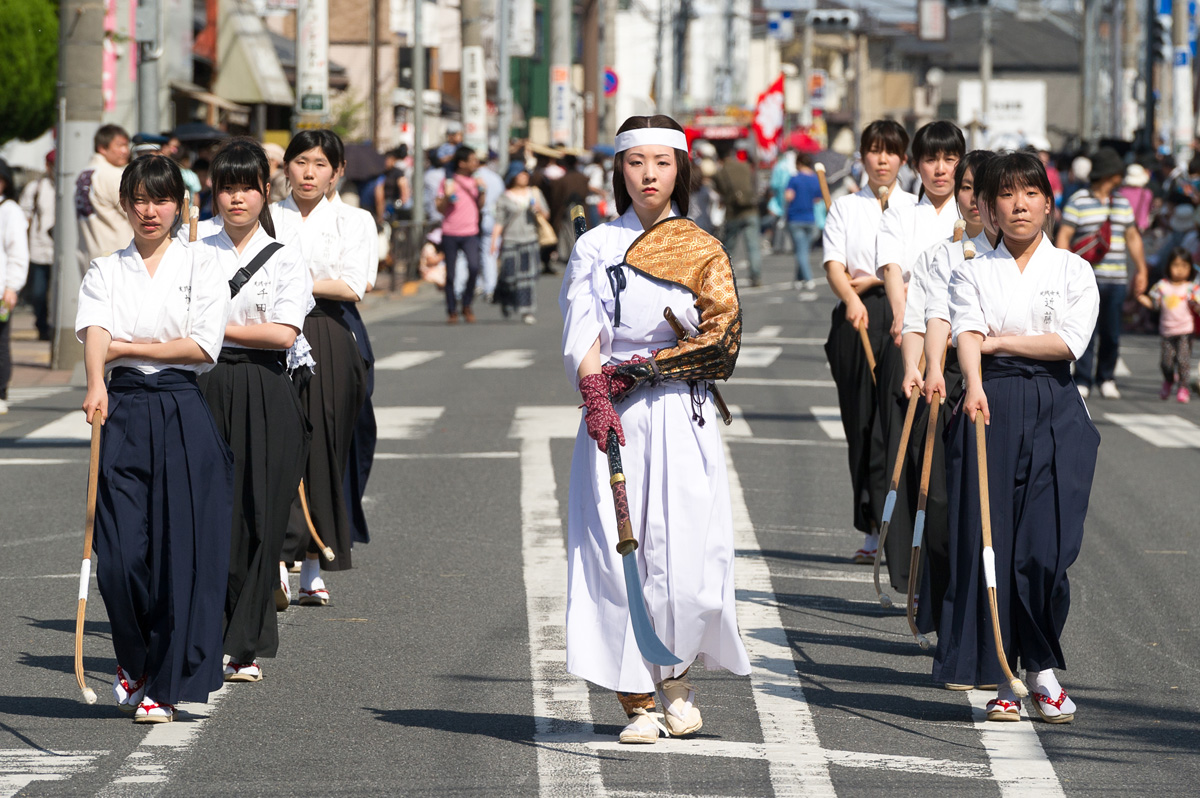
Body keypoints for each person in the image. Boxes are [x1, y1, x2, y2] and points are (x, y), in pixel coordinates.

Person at [560, 114, 751, 745]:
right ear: (619, 169)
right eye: (636, 162)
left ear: (681, 171)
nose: (649, 174)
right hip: (614, 411)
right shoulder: (594, 245)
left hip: (680, 409)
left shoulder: (702, 246)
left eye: (662, 163)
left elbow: (722, 340)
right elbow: (583, 331)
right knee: (617, 550)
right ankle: (636, 698)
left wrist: (649, 367)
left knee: (685, 551)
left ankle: (677, 682)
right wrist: (597, 392)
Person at [936, 151, 1100, 723]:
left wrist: (999, 342)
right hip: (992, 405)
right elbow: (967, 333)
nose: (1020, 204)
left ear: (1048, 204)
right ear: (990, 209)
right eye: (1007, 195)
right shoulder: (972, 270)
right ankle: (1009, 674)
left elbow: (1067, 344)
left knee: (1049, 551)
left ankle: (1039, 661)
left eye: (1031, 193)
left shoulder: (1074, 271)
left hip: (1057, 406)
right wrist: (975, 384)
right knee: (993, 547)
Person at [76, 154, 233, 722]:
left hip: (182, 408)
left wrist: (127, 346)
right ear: (124, 204)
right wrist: (98, 379)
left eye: (161, 199)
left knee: (179, 553)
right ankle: (136, 659)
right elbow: (97, 331)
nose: (150, 210)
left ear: (179, 205)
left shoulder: (203, 266)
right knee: (118, 556)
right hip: (120, 409)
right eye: (139, 199)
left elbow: (201, 347)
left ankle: (165, 685)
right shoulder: (105, 269)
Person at [192, 138, 310, 681]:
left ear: (266, 191)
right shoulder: (194, 249)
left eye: (247, 187)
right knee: (212, 512)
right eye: (226, 188)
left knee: (263, 512)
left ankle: (247, 645)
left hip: (266, 389)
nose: (236, 198)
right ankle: (210, 631)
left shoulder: (287, 256)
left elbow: (283, 334)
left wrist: (212, 328)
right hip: (205, 385)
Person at [271, 130, 369, 606]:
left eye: (321, 164)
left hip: (327, 333)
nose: (309, 173)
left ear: (338, 171)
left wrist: (291, 280)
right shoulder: (266, 217)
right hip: (269, 331)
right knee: (273, 443)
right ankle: (276, 559)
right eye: (300, 162)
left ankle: (314, 559)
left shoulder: (355, 220)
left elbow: (352, 285)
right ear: (285, 167)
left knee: (325, 445)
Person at [912, 150, 999, 652]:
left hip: (1004, 385)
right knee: (948, 515)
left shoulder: (1028, 257)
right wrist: (924, 368)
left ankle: (994, 630)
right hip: (950, 384)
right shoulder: (941, 257)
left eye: (984, 191)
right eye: (968, 188)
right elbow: (925, 320)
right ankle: (953, 622)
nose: (973, 200)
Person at [874, 120, 965, 590]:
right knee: (905, 452)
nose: (941, 169)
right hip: (909, 336)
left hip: (959, 350)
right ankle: (909, 568)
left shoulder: (972, 212)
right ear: (917, 165)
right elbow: (893, 268)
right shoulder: (900, 213)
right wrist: (899, 314)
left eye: (951, 159)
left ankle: (949, 568)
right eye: (931, 159)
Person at [821, 119, 916, 564]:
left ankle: (898, 527)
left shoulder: (916, 209)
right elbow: (835, 266)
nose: (881, 159)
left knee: (893, 426)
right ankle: (872, 527)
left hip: (904, 318)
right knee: (861, 426)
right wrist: (851, 298)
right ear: (862, 156)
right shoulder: (844, 208)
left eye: (890, 151)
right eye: (873, 151)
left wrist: (882, 285)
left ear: (902, 158)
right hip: (856, 317)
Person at [1057, 148, 1149, 399]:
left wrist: (1141, 269)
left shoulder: (1122, 203)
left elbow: (1132, 236)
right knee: (1085, 329)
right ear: (1108, 175)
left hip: (1117, 278)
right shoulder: (1078, 200)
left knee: (1112, 331)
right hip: (1087, 279)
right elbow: (1064, 236)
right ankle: (1084, 377)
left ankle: (1106, 376)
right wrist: (1063, 271)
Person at [1137, 247, 1200, 402]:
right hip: (1167, 330)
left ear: (1190, 268)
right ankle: (1169, 380)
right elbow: (1155, 304)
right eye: (1176, 265)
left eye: (1184, 266)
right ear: (1168, 266)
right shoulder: (1162, 286)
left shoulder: (1191, 288)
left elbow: (1197, 305)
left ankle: (1183, 388)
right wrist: (1141, 298)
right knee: (1166, 362)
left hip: (1185, 330)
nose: (1179, 270)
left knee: (1183, 360)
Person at [490, 165, 548, 323]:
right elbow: (499, 221)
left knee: (528, 277)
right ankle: (507, 301)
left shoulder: (534, 193)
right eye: (521, 174)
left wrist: (538, 209)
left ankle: (527, 310)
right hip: (510, 239)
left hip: (530, 239)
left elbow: (546, 215)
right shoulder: (504, 197)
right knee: (509, 276)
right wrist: (494, 241)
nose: (524, 177)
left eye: (525, 174)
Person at [435, 146, 486, 323]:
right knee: (450, 274)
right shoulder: (449, 181)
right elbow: (440, 209)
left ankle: (466, 304)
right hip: (450, 231)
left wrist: (482, 191)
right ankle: (451, 310)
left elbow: (480, 206)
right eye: (472, 160)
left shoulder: (476, 181)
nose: (475, 163)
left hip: (470, 232)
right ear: (462, 163)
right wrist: (447, 197)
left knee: (473, 267)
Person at [76, 124, 133, 267]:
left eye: (126, 145)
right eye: (119, 145)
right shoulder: (113, 175)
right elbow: (135, 214)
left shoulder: (84, 174)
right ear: (102, 148)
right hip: (116, 254)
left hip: (89, 253)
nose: (125, 151)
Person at [0, 159, 31, 415]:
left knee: (0, 340)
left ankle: (0, 391)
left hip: (1, 290)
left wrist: (12, 286)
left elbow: (18, 251)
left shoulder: (10, 210)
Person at [712, 143, 764, 286]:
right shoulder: (745, 167)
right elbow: (754, 185)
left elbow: (720, 192)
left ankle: (727, 276)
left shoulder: (719, 173)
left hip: (733, 213)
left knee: (730, 248)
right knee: (753, 246)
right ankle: (756, 276)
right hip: (750, 209)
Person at [19, 151, 55, 341]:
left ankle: (54, 327)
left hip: (61, 252)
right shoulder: (36, 187)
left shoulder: (70, 185)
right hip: (39, 249)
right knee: (39, 293)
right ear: (47, 166)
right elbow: (24, 216)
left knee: (60, 295)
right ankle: (42, 325)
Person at [783, 152, 822, 290]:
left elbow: (789, 196)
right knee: (804, 250)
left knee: (801, 251)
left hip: (795, 218)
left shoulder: (794, 179)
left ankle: (809, 278)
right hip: (810, 218)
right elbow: (817, 198)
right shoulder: (816, 179)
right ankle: (798, 279)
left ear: (798, 163)